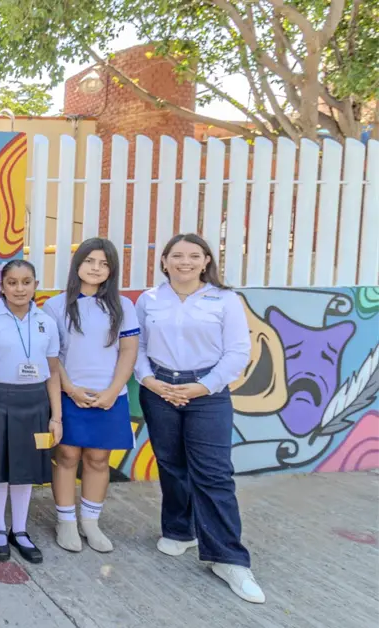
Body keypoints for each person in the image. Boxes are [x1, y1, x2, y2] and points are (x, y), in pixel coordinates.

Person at [134, 233, 264, 604]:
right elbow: (139, 346)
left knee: (213, 473)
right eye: (177, 256)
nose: (185, 262)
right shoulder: (150, 299)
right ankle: (179, 531)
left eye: (194, 256)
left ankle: (229, 558)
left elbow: (238, 352)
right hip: (159, 389)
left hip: (207, 394)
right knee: (172, 465)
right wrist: (150, 381)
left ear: (206, 261)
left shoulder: (224, 300)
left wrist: (203, 387)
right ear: (164, 261)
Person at [41, 238, 139, 553]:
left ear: (111, 270)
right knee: (67, 456)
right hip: (68, 393)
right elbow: (51, 356)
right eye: (90, 261)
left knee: (98, 459)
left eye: (104, 263)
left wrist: (112, 392)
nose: (96, 268)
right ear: (77, 264)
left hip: (109, 396)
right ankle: (66, 521)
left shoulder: (124, 306)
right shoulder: (55, 306)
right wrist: (69, 388)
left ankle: (90, 522)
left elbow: (128, 352)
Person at [0, 260, 61, 565]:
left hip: (36, 402)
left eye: (26, 282)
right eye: (12, 282)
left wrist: (55, 416)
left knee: (25, 469)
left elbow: (53, 371)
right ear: (2, 286)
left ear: (35, 284)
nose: (19, 289)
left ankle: (19, 531)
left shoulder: (46, 321)